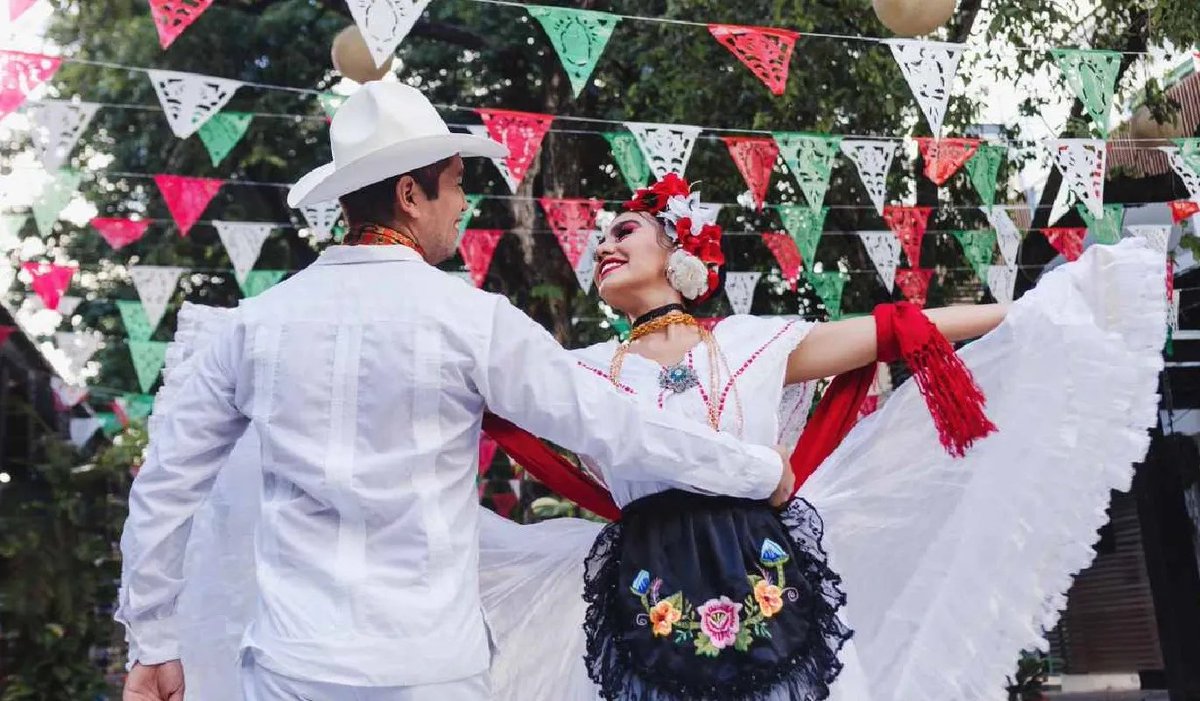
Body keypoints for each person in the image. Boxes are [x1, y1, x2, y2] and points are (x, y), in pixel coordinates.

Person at [116, 82, 796, 701]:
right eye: (455, 183)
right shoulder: (471, 320)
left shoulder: (253, 327)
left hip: (293, 662)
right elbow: (612, 423)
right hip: (429, 668)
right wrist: (755, 469)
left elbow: (166, 484)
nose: (467, 204)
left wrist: (152, 642)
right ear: (412, 195)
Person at [474, 174, 1166, 700]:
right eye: (602, 239)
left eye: (624, 231)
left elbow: (899, 328)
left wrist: (1032, 310)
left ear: (676, 248)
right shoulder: (580, 371)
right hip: (646, 587)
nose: (605, 246)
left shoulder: (750, 343)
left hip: (768, 577)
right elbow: (477, 385)